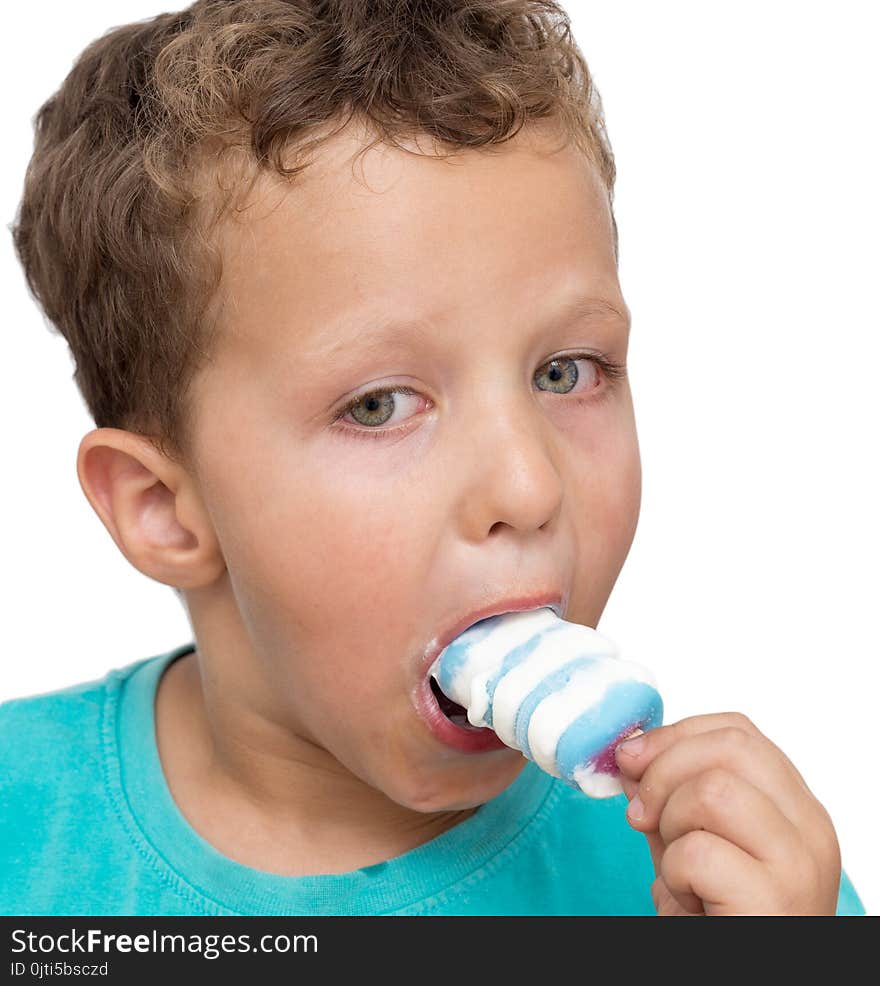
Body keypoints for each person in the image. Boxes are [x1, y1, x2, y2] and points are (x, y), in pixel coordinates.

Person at [1, 0, 864, 916]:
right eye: (379, 406)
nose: (528, 486)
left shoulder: (730, 883)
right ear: (163, 508)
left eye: (565, 372)